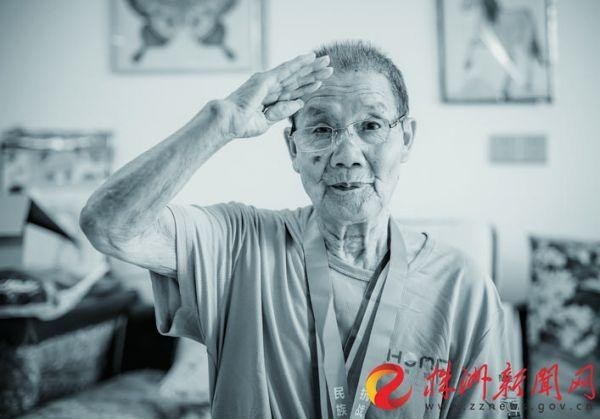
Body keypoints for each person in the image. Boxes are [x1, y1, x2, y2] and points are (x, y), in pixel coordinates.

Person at [81, 41, 520, 418]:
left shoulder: (462, 286)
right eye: (322, 129)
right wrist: (221, 120)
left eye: (371, 126)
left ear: (406, 138)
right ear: (293, 148)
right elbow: (109, 226)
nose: (347, 154)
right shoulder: (239, 244)